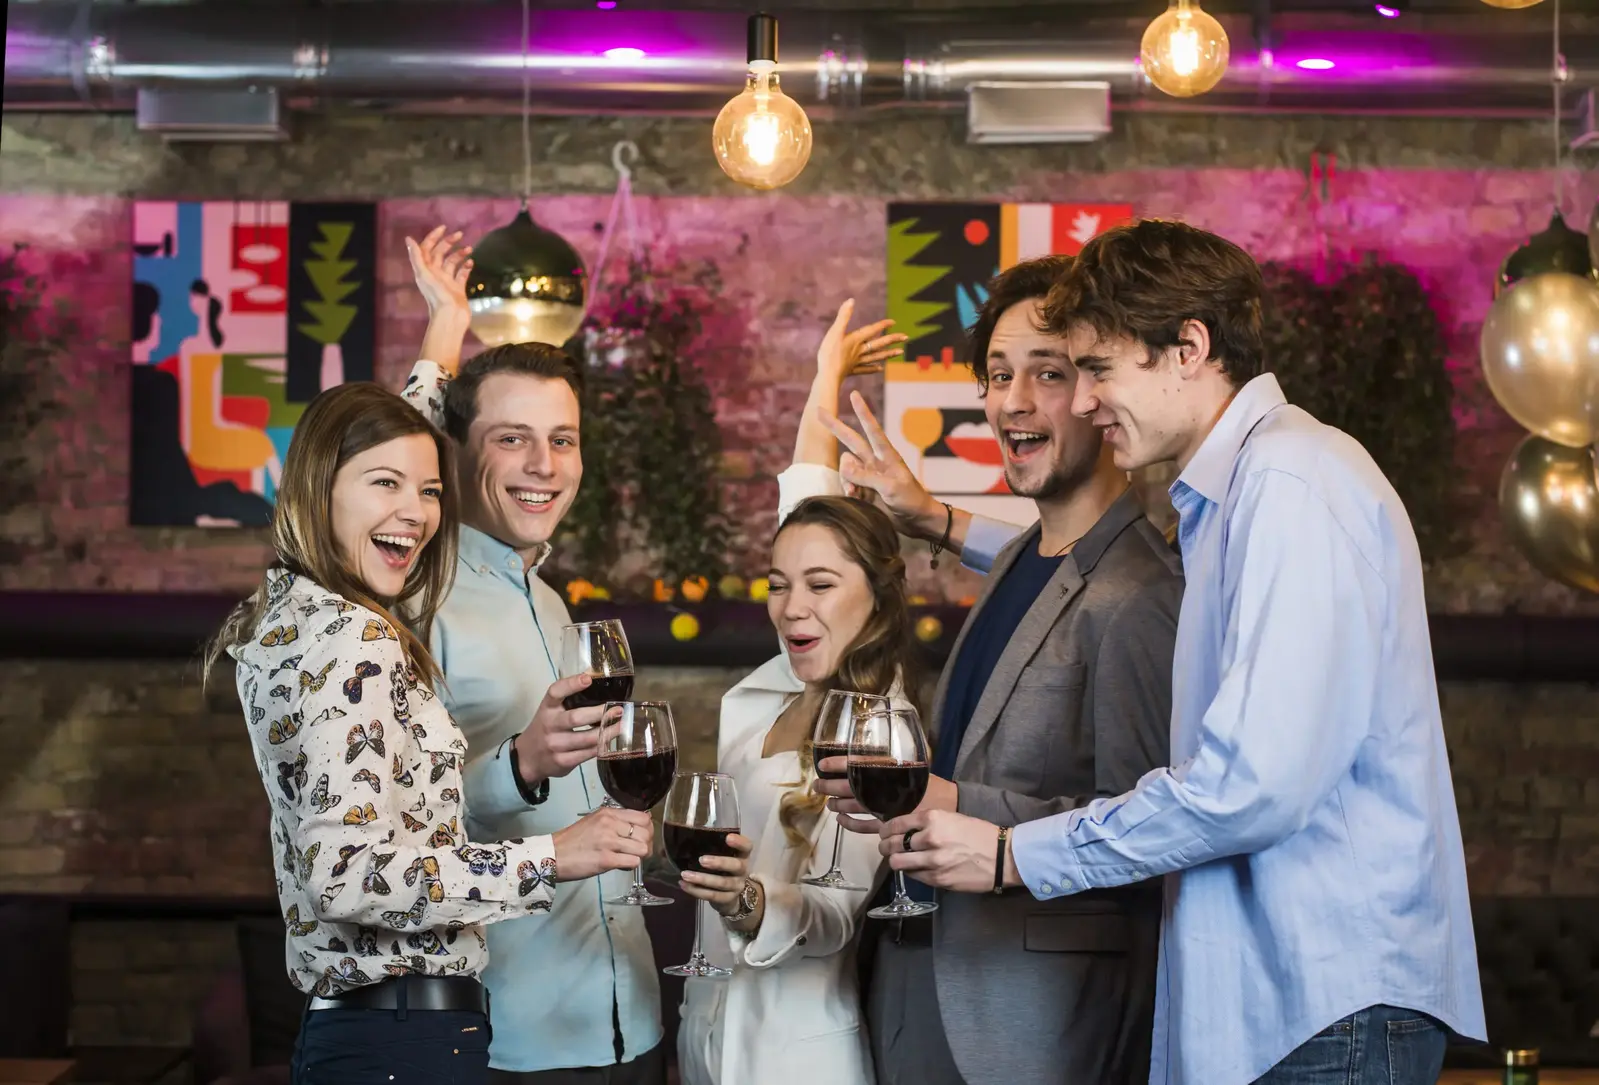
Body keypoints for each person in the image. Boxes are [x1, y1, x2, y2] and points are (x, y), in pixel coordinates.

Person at [883, 220, 1487, 1085]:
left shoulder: (1287, 485)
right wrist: (939, 521)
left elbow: (1250, 784)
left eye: (1094, 370)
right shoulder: (1235, 492)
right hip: (1286, 1004)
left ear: (1187, 349)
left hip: (1324, 1009)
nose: (1083, 403)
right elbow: (1068, 562)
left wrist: (1016, 853)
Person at [214, 381, 652, 1084]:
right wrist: (551, 856)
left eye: (428, 489)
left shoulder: (292, 616)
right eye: (385, 483)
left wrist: (441, 336)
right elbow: (346, 877)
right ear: (318, 489)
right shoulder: (357, 640)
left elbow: (367, 438)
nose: (415, 513)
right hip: (402, 1036)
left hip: (365, 1031)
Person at [814, 255, 1184, 1085]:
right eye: (996, 374)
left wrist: (954, 801)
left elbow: (1151, 827)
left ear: (1097, 391)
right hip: (920, 961)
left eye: (1045, 374)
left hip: (1034, 1016)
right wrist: (927, 514)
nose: (1011, 400)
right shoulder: (1026, 554)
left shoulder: (1140, 594)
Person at [399, 227, 665, 1084]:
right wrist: (518, 763)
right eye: (512, 438)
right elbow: (395, 840)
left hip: (631, 1020)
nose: (544, 465)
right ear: (460, 449)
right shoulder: (415, 596)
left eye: (563, 438)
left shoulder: (552, 600)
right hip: (516, 1037)